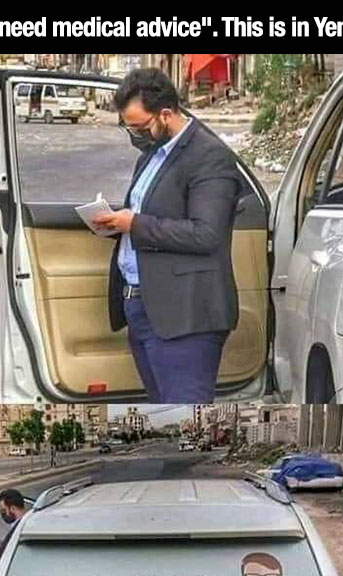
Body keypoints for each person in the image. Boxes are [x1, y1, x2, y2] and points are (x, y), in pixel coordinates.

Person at [94, 68, 243, 403]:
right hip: (143, 307)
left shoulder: (209, 156)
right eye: (128, 127)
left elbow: (206, 234)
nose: (135, 135)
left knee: (184, 410)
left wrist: (135, 224)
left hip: (185, 315)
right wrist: (115, 223)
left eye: (140, 127)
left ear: (166, 114)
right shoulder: (152, 155)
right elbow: (151, 213)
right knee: (163, 409)